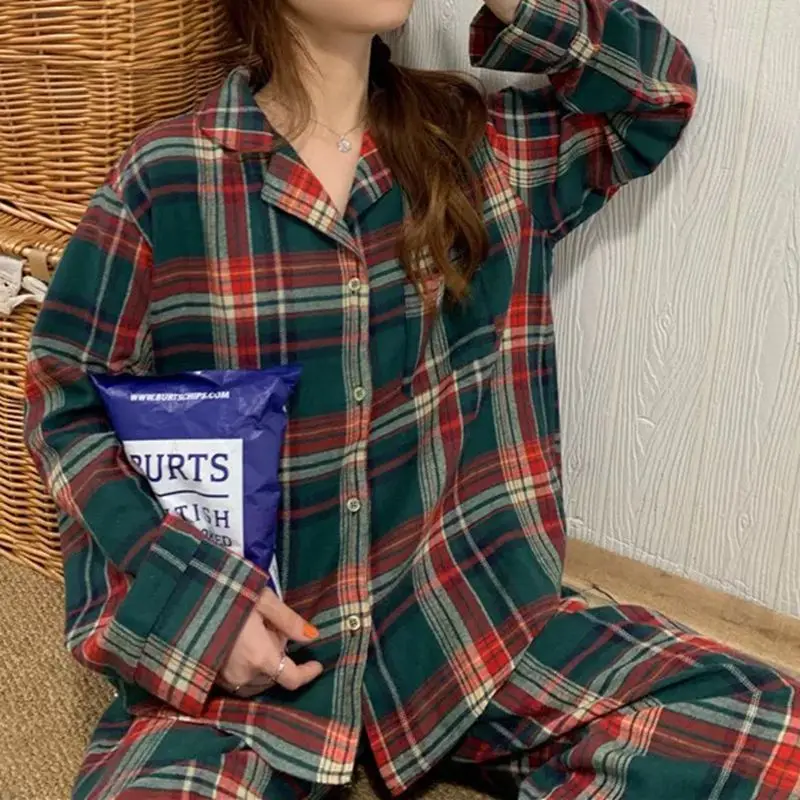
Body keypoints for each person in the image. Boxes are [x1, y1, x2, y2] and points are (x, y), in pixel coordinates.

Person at [24, 0, 800, 797]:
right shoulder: (169, 178)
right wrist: (198, 604)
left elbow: (655, 97)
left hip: (464, 628)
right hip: (260, 659)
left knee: (761, 729)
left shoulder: (478, 143)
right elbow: (66, 403)